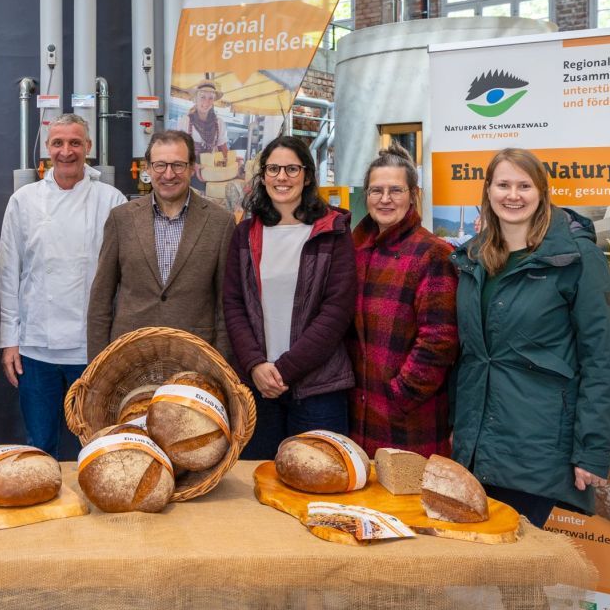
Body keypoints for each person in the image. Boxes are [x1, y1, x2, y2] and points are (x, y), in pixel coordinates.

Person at [450, 148, 610, 529]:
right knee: (474, 564)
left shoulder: (578, 259)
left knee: (514, 569)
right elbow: (470, 355)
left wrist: (592, 451)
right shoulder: (473, 259)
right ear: (488, 191)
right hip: (475, 443)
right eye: (503, 184)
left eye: (524, 185)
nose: (513, 195)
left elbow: (601, 361)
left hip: (537, 444)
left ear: (542, 191)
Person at [0, 113, 125, 459]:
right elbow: (9, 273)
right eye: (58, 143)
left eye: (74, 143)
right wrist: (9, 340)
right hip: (36, 348)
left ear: (89, 147)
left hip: (93, 348)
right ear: (46, 148)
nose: (66, 151)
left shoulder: (111, 201)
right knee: (39, 444)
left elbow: (123, 279)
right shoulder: (23, 201)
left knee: (99, 443)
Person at [223, 135, 356, 460]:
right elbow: (234, 304)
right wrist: (255, 365)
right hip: (257, 386)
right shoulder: (246, 232)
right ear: (263, 175)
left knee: (320, 485)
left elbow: (336, 311)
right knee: (256, 489)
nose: (282, 177)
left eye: (292, 169)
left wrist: (285, 369)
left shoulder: (333, 231)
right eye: (273, 169)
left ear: (308, 176)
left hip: (318, 389)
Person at [349, 146, 459, 458]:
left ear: (413, 194)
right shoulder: (356, 251)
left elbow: (439, 342)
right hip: (359, 415)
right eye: (376, 190)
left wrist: (399, 395)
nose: (385, 199)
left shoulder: (433, 253)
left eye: (395, 190)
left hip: (409, 420)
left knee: (407, 505)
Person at [87, 130, 235, 360]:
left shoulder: (220, 222)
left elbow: (226, 306)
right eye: (160, 165)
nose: (168, 174)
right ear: (147, 168)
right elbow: (101, 299)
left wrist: (221, 366)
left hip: (195, 357)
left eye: (178, 165)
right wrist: (97, 365)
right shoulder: (121, 218)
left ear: (191, 167)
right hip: (130, 356)